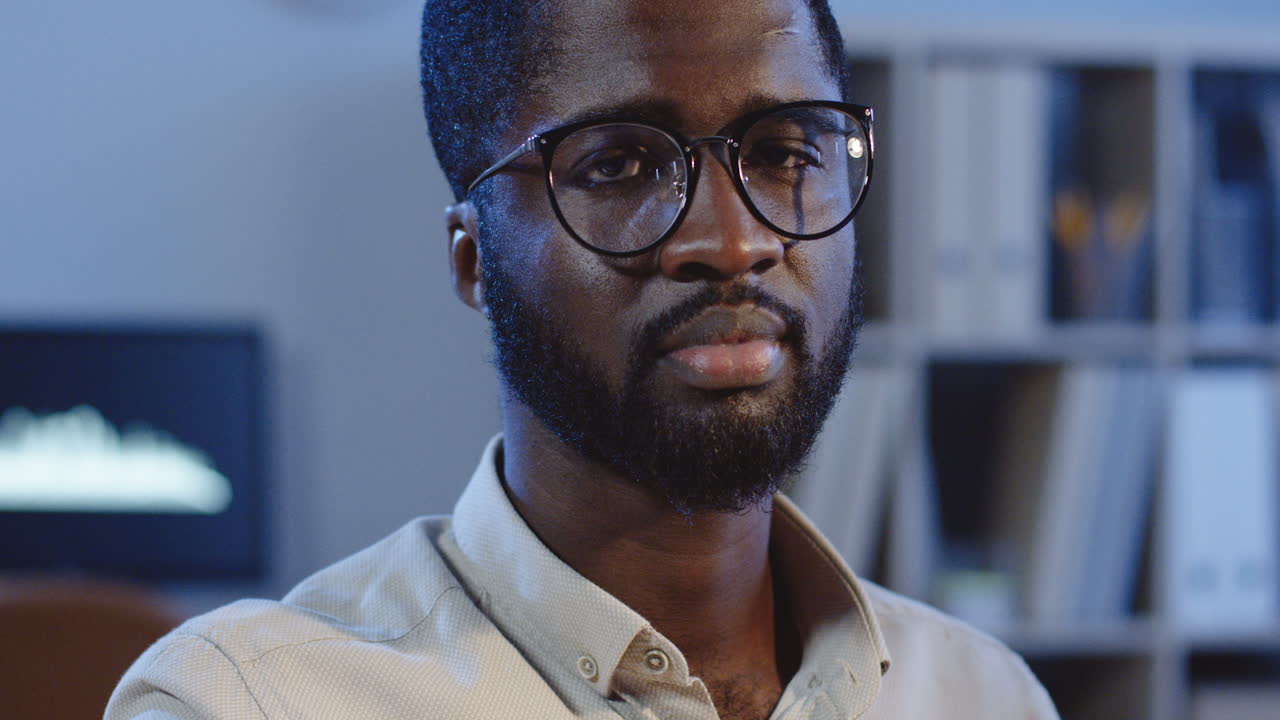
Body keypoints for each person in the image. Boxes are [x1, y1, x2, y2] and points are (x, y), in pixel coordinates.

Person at [107, 0, 1060, 718]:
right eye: (621, 166)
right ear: (473, 258)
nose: (734, 243)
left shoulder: (982, 694)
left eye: (782, 153)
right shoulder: (251, 704)